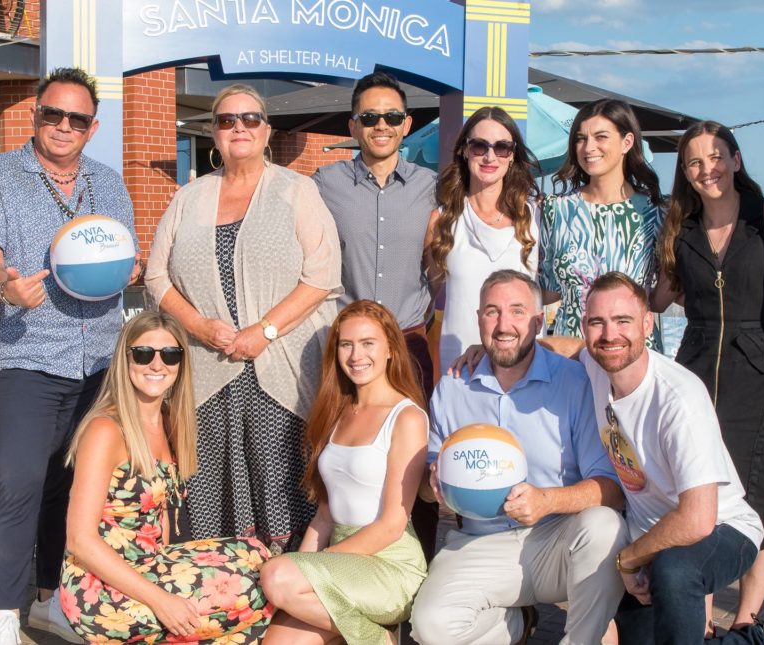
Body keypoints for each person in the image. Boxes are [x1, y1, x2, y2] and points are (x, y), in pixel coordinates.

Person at [0, 68, 138, 645]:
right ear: (36, 115)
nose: (63, 126)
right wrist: (4, 289)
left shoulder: (109, 183)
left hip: (98, 359)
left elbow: (124, 257)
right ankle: (2, 612)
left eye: (77, 119)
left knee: (71, 485)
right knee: (18, 481)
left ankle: (49, 598)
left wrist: (131, 269)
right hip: (26, 352)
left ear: (93, 127)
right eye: (53, 114)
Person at [145, 83, 342, 555]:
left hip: (281, 372)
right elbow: (155, 277)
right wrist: (198, 326)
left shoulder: (298, 190)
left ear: (267, 130)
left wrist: (264, 332)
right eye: (227, 120)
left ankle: (285, 598)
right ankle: (223, 599)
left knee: (281, 488)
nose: (239, 127)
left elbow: (322, 276)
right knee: (209, 492)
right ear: (213, 133)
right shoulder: (188, 198)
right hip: (207, 373)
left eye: (250, 118)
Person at [578, 272, 764, 645]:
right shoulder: (596, 365)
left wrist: (630, 559)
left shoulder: (678, 398)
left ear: (646, 322)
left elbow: (698, 519)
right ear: (585, 327)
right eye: (597, 322)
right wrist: (489, 351)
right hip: (654, 537)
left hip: (723, 528)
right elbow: (555, 348)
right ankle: (760, 641)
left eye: (623, 321)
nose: (610, 334)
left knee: (674, 570)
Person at [410, 269, 623, 645]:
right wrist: (433, 485)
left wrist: (546, 501)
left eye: (517, 311)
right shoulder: (453, 386)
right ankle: (516, 624)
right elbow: (427, 494)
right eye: (492, 312)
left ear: (539, 321)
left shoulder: (573, 383)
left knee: (605, 528)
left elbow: (610, 489)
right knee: (431, 627)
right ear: (478, 319)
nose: (503, 324)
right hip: (480, 543)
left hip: (555, 539)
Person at [651, 121, 764, 633]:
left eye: (716, 157)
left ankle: (748, 620)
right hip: (694, 368)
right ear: (685, 174)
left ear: (736, 160)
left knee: (758, 493)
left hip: (758, 370)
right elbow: (656, 300)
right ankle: (703, 617)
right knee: (698, 489)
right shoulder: (680, 232)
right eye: (694, 162)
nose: (706, 169)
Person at [58, 311, 274, 643]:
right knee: (251, 594)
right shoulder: (106, 430)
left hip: (152, 563)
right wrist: (163, 601)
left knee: (260, 559)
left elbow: (167, 526)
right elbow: (80, 541)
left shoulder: (169, 420)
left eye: (170, 355)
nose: (157, 365)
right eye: (144, 354)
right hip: (101, 588)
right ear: (125, 359)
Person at [312, 71, 443, 560]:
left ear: (407, 124)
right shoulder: (324, 184)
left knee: (416, 466)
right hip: (349, 352)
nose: (381, 125)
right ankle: (344, 571)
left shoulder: (433, 189)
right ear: (354, 125)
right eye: (370, 117)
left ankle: (417, 583)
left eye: (391, 116)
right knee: (341, 458)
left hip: (409, 345)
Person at [260, 300, 430, 645]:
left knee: (277, 577)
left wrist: (308, 569)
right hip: (338, 564)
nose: (356, 355)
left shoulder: (406, 417)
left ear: (390, 350)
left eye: (368, 343)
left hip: (389, 564)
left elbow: (392, 525)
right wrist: (306, 568)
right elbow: (325, 516)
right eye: (346, 345)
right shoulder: (337, 412)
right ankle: (373, 637)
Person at [539, 99, 666, 353]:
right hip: (571, 355)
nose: (589, 147)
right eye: (581, 139)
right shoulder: (556, 210)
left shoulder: (655, 212)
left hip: (634, 353)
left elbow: (663, 297)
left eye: (601, 137)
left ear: (627, 142)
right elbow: (548, 291)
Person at [425, 107, 542, 373]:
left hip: (523, 361)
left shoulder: (535, 217)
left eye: (502, 147)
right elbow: (433, 296)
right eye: (479, 146)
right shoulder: (442, 220)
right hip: (459, 363)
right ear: (464, 151)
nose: (490, 156)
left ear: (512, 156)